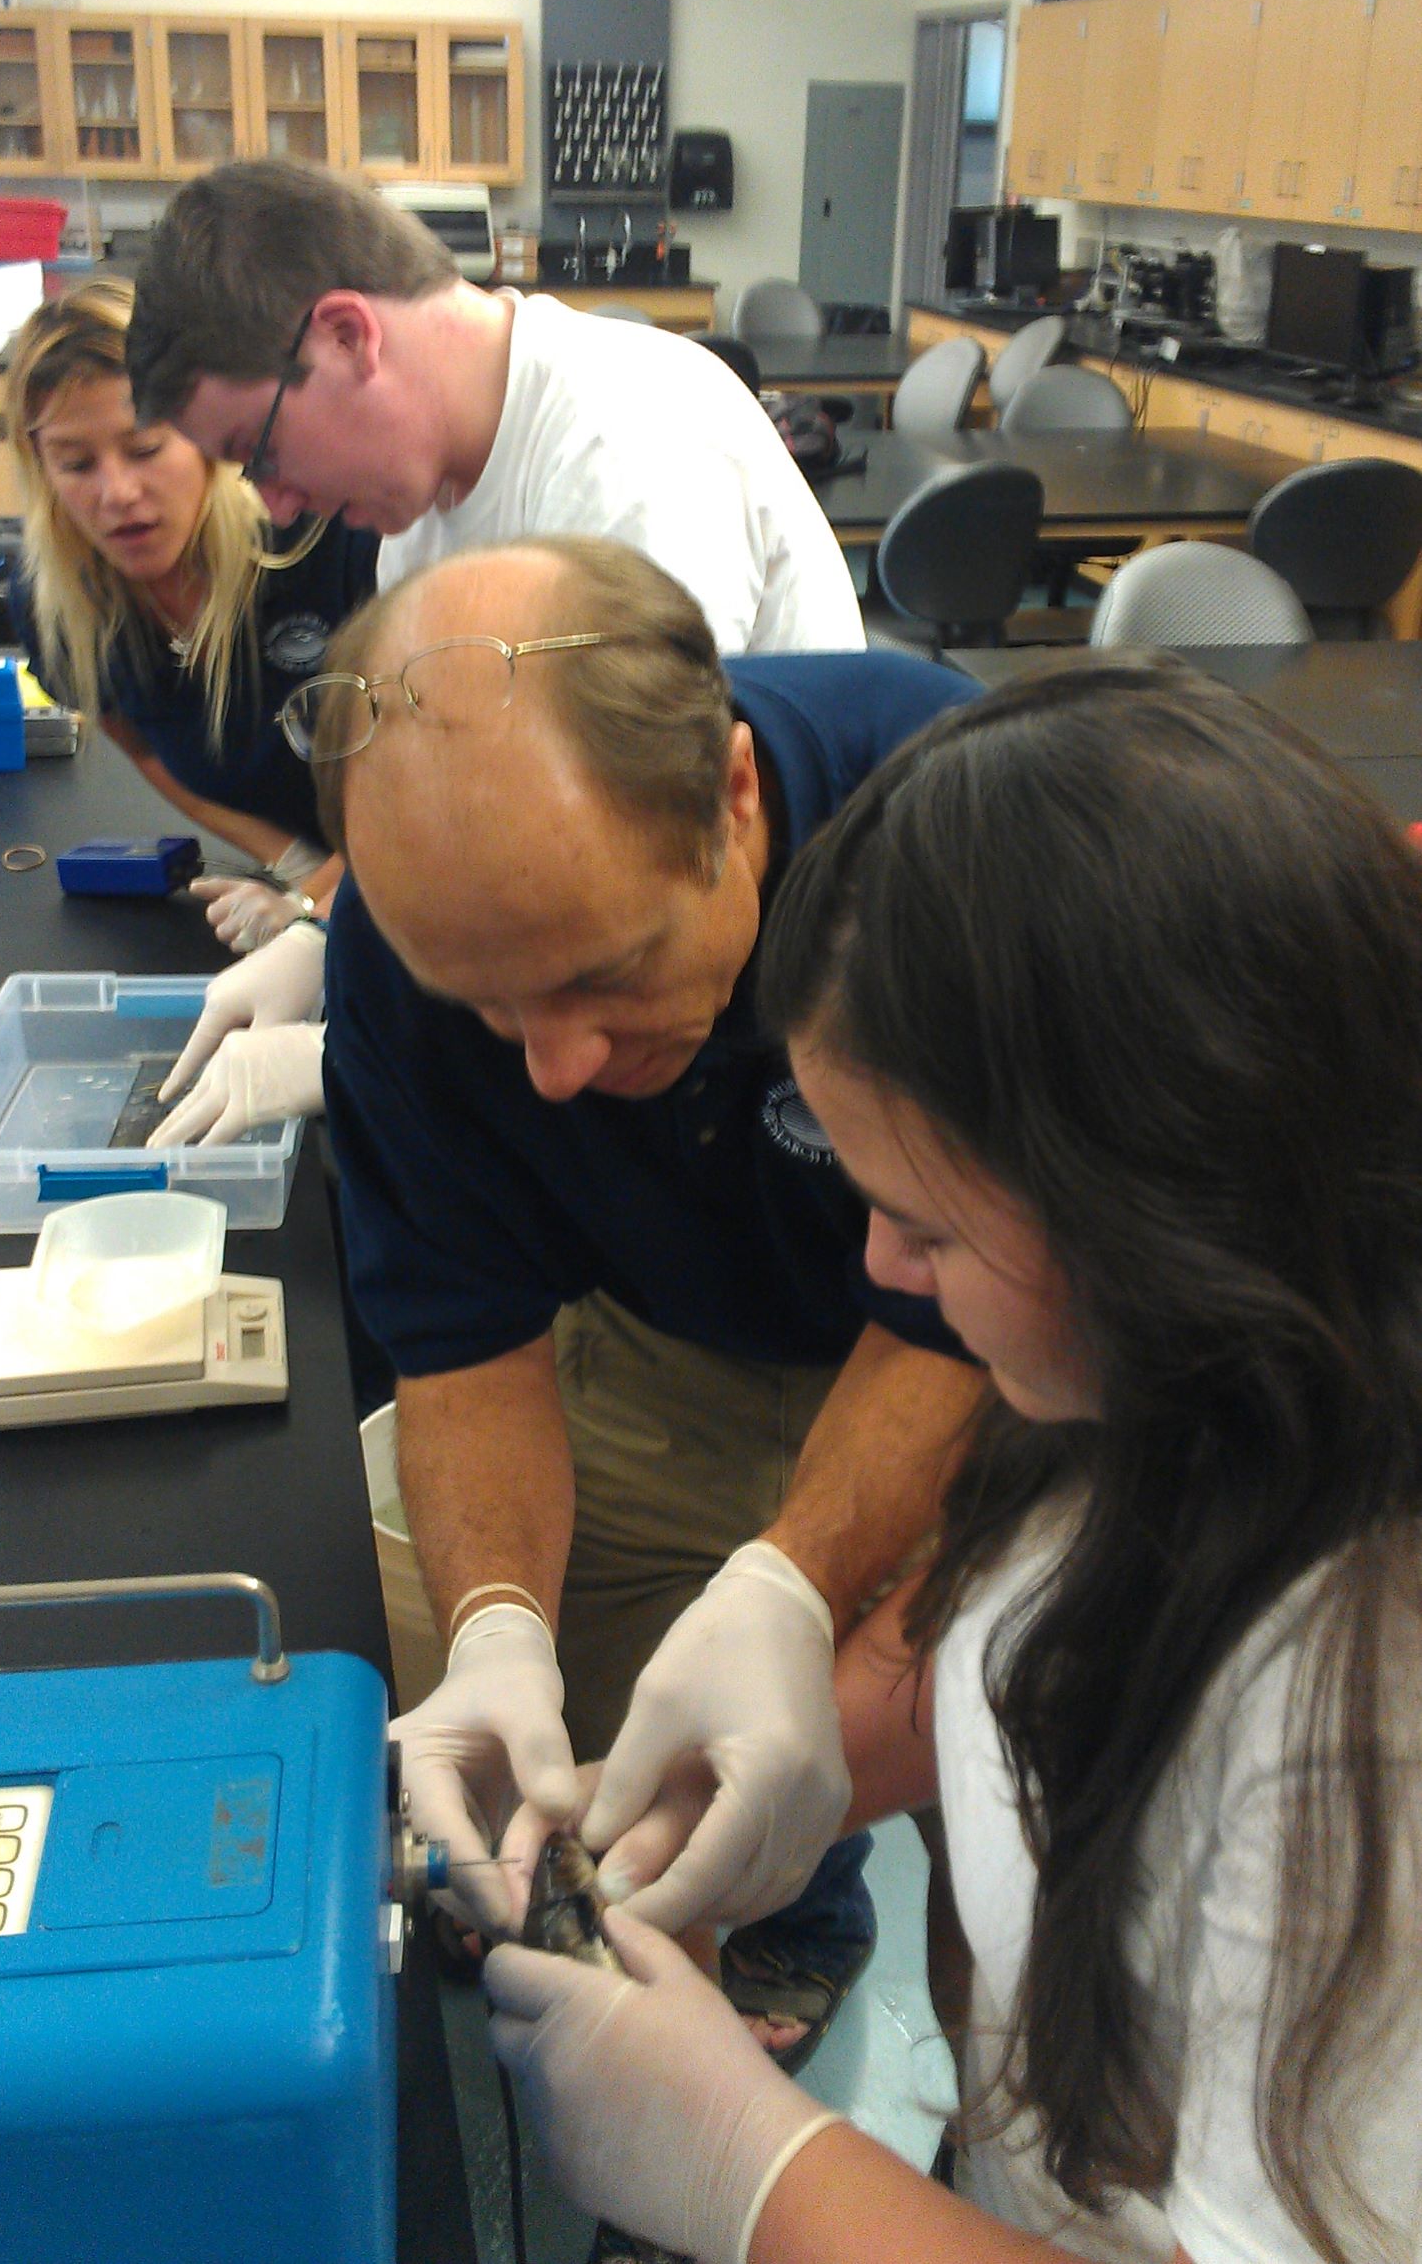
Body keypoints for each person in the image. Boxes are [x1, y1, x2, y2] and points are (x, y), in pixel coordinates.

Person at [484, 657, 1422, 2264]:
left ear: (1160, 1202)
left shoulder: (1363, 1725)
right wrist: (749, 1788)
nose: (885, 1270)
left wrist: (754, 2173)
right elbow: (1068, 1650)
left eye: (924, 1220)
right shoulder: (1156, 1380)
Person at [305, 536, 983, 2075]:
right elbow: (464, 1338)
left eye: (602, 975)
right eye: (491, 1007)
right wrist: (493, 1631)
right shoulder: (410, 940)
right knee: (633, 1745)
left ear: (735, 797)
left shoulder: (952, 838)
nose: (549, 1065)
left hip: (996, 1344)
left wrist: (796, 1583)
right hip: (668, 1332)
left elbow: (973, 1310)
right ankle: (749, 1923)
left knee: (1016, 1822)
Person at [124, 156, 864, 1139]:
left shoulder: (631, 448)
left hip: (750, 1017)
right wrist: (326, 934)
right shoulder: (419, 519)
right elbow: (442, 807)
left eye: (258, 451)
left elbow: (623, 853)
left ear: (347, 335)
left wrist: (353, 1039)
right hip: (579, 986)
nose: (275, 501)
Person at [6, 275, 377, 964]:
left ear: (207, 434)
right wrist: (294, 864)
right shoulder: (57, 608)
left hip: (436, 874)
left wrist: (313, 908)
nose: (117, 492)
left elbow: (439, 777)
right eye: (75, 462)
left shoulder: (323, 536)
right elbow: (143, 745)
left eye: (144, 447)